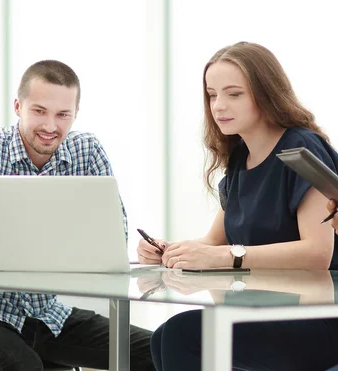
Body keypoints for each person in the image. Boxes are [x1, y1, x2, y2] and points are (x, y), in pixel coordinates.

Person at [0, 60, 154, 371]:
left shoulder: (87, 151)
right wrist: (31, 255)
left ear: (75, 114)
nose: (51, 126)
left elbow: (110, 239)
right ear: (18, 106)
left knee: (161, 350)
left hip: (47, 315)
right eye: (39, 111)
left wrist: (20, 253)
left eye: (62, 115)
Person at [138, 41, 338, 371]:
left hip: (317, 319)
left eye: (234, 94)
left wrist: (227, 257)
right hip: (264, 310)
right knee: (162, 337)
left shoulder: (301, 146)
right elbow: (214, 242)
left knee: (181, 335)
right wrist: (166, 249)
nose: (218, 106)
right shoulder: (240, 159)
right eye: (212, 95)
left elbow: (317, 254)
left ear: (265, 93)